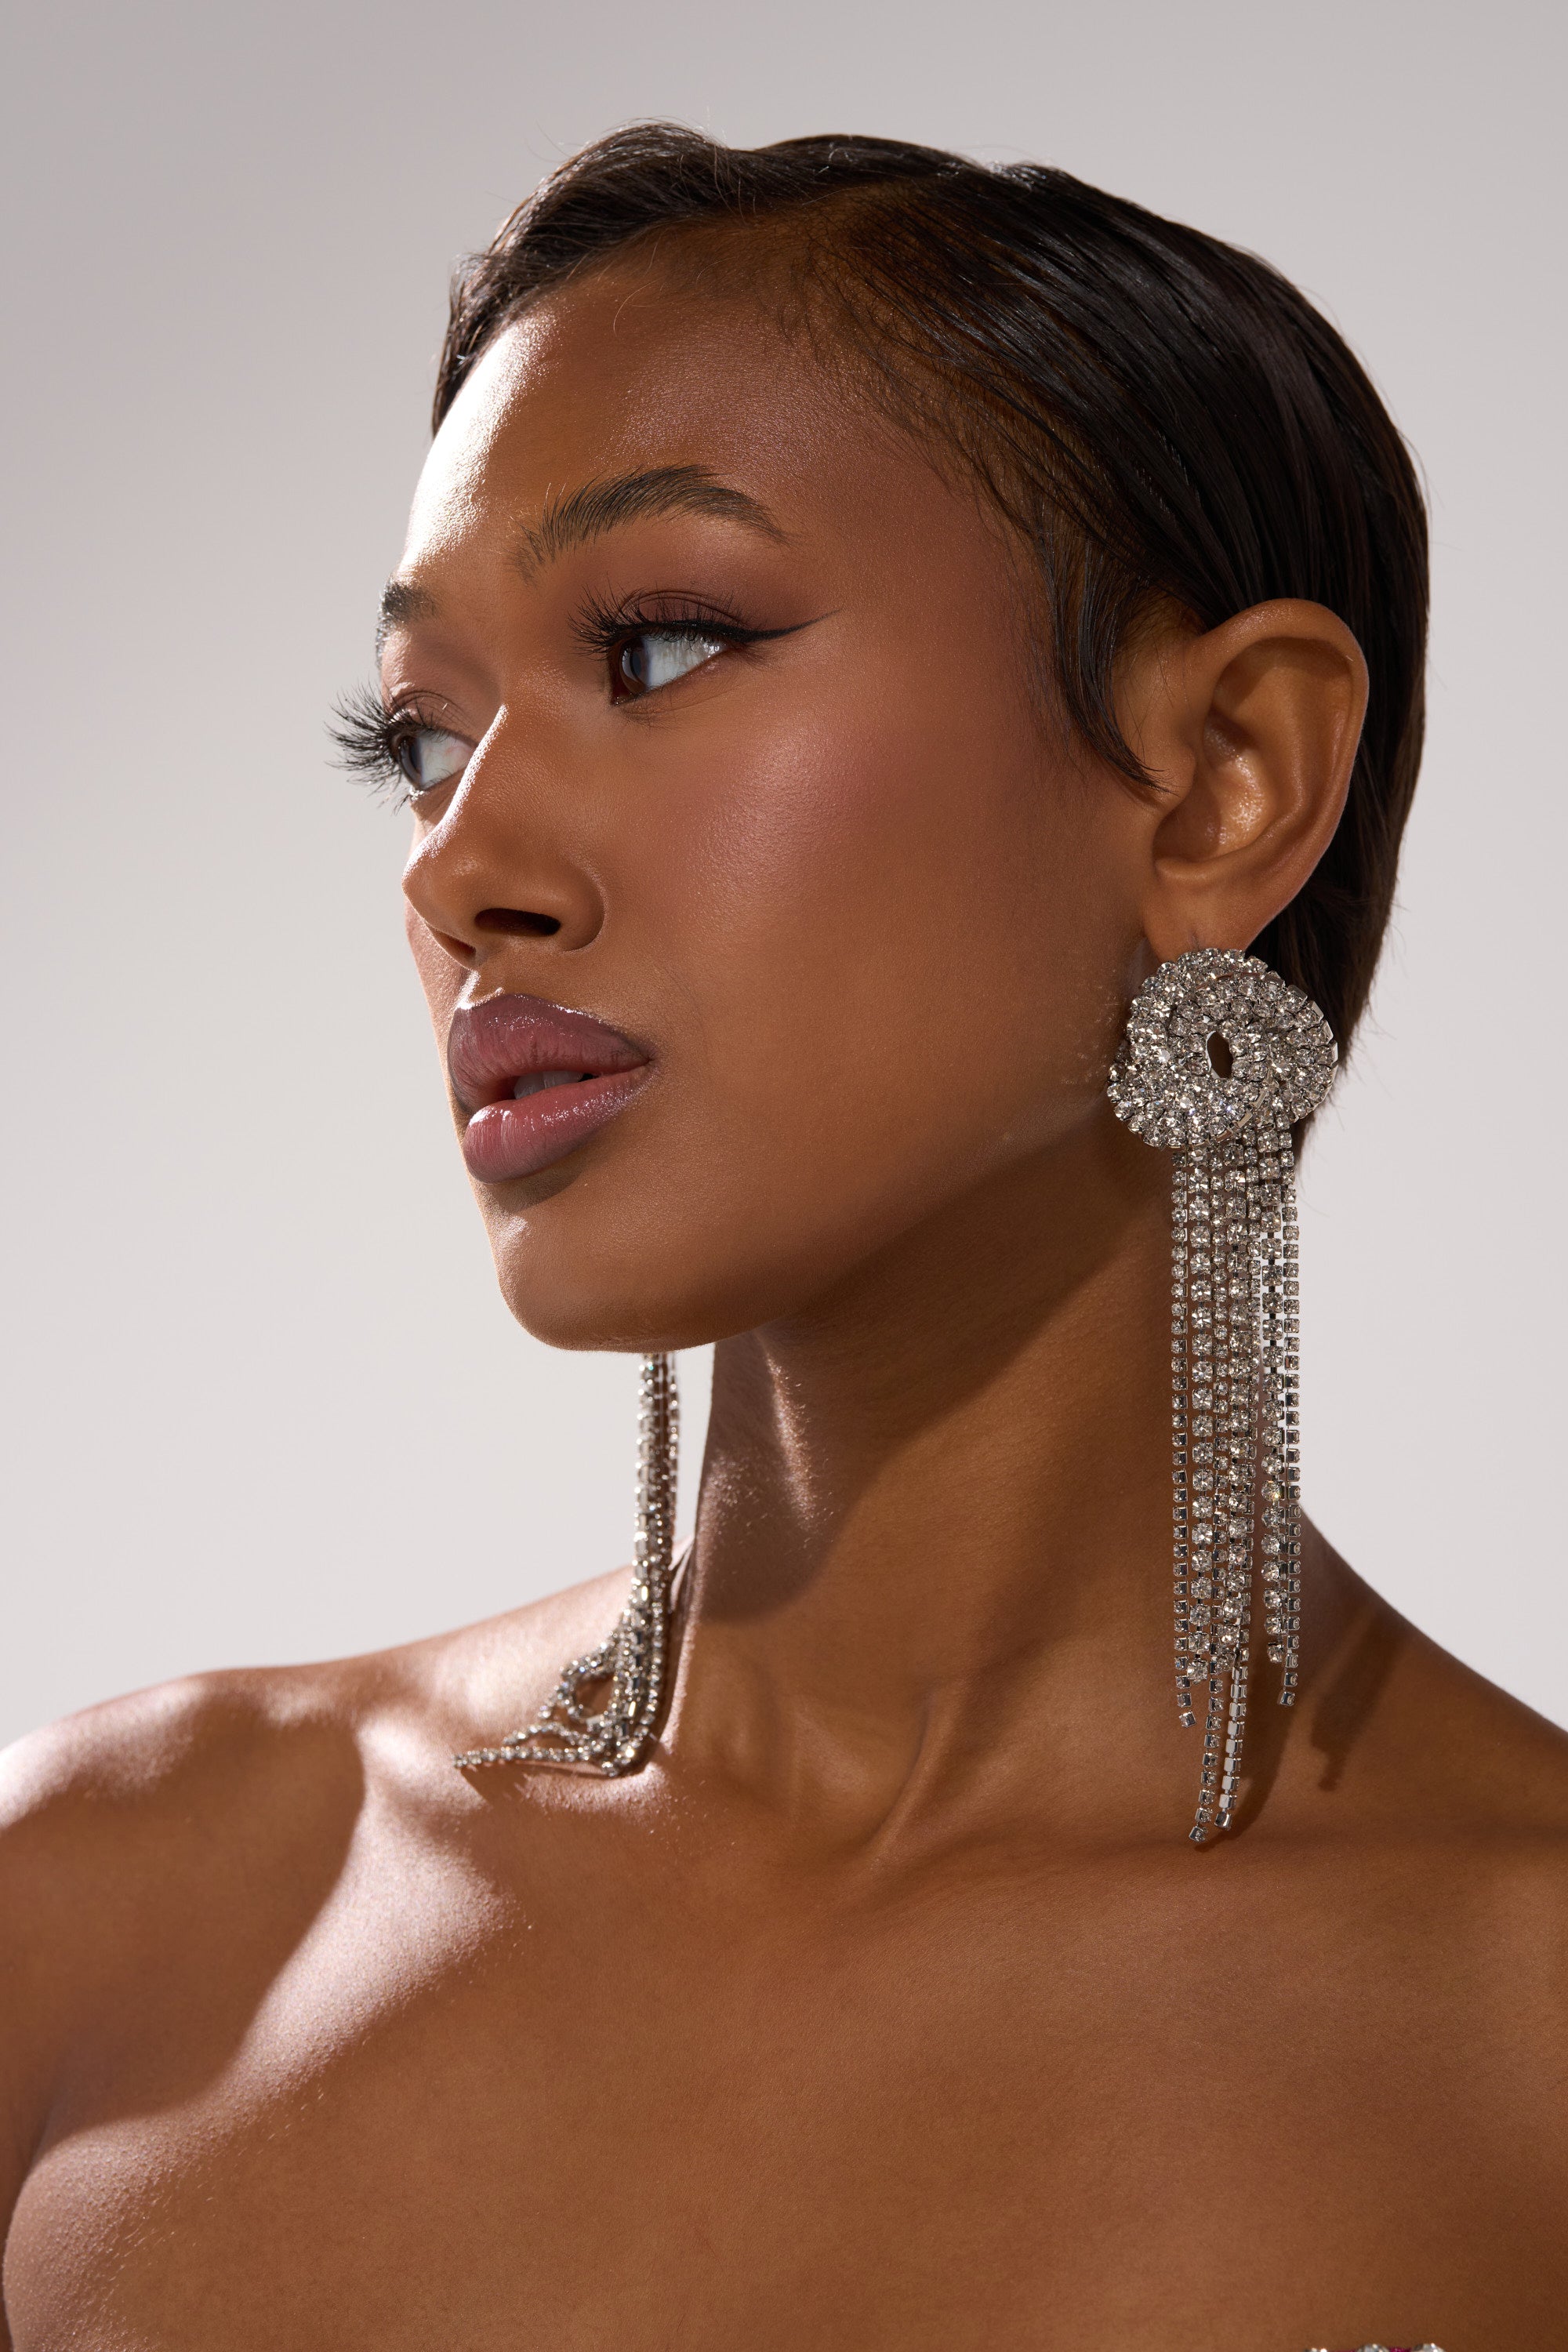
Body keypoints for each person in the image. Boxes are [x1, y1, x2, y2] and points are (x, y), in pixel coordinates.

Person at [1, 125, 1562, 2349]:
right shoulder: (102, 1922)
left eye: (658, 648)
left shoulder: (1522, 2051)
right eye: (416, 738)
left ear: (1229, 778)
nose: (458, 866)